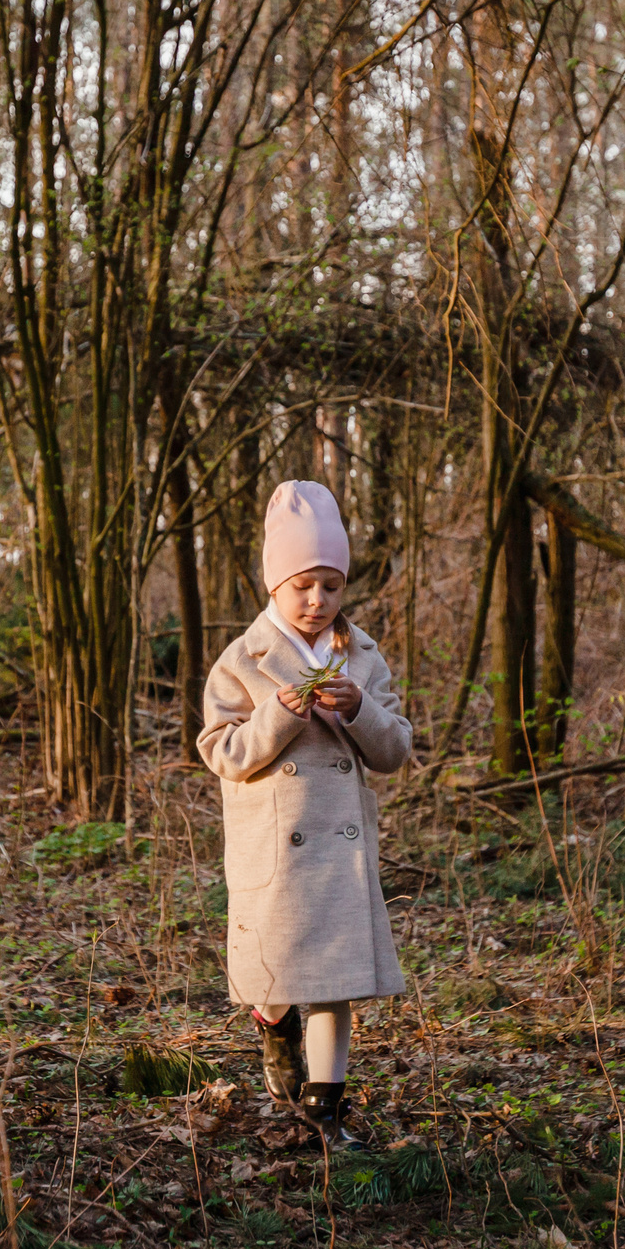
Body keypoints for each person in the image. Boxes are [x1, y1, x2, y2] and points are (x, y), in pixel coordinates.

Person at [198, 480, 413, 1149]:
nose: (318, 600)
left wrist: (358, 710)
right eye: (303, 585)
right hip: (276, 854)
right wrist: (277, 719)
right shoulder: (242, 660)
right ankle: (271, 1020)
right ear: (274, 585)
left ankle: (325, 1108)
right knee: (282, 974)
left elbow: (396, 748)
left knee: (335, 984)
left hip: (340, 856)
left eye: (331, 584)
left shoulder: (362, 656)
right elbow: (221, 751)